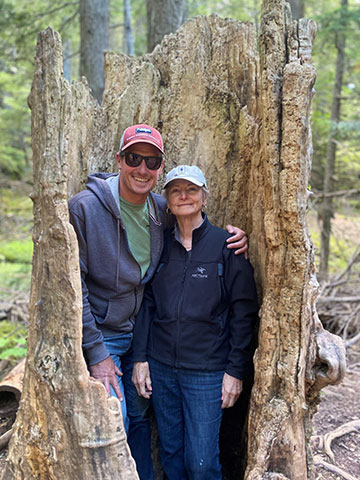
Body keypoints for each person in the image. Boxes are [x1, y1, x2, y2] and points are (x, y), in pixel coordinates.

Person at [68, 124, 248, 480]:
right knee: (114, 421)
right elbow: (76, 287)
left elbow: (241, 308)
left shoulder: (166, 213)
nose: (142, 168)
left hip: (166, 348)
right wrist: (106, 355)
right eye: (134, 158)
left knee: (153, 427)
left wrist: (236, 236)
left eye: (151, 161)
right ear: (119, 159)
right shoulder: (86, 208)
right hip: (107, 337)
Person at [132, 165, 258, 480]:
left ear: (204, 197)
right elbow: (147, 306)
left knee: (201, 463)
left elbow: (243, 313)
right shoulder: (159, 246)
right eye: (176, 190)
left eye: (191, 190)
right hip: (162, 369)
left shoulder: (227, 246)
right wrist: (140, 359)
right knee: (171, 454)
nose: (184, 196)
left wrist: (235, 372)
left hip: (208, 372)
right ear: (168, 202)